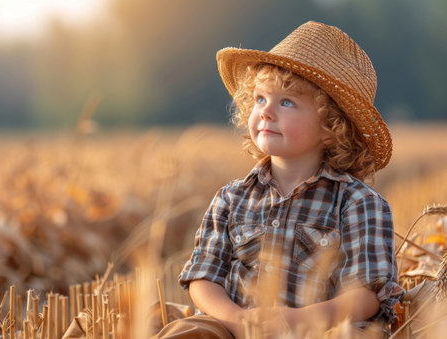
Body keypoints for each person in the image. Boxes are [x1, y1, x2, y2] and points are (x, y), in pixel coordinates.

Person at [155, 20, 403, 338]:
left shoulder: (359, 203)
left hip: (317, 329)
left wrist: (297, 321)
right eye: (260, 99)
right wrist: (236, 319)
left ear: (331, 127)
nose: (267, 112)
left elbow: (369, 295)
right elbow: (204, 278)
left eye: (286, 102)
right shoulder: (231, 198)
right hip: (234, 327)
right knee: (186, 330)